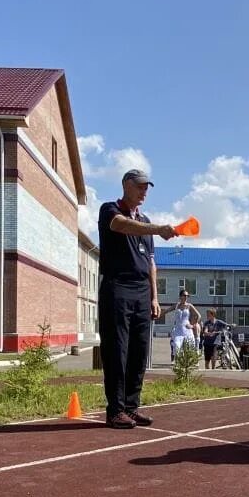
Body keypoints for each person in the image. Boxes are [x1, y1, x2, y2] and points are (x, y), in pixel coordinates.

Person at [97, 169, 178, 428]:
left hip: (143, 292)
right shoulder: (110, 210)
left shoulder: (145, 221)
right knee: (117, 350)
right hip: (117, 287)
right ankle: (115, 410)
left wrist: (155, 296)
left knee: (139, 350)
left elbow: (151, 262)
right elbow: (121, 225)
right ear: (125, 185)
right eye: (140, 186)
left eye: (147, 187)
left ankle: (131, 407)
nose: (144, 191)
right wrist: (158, 228)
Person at [160, 289, 201, 361]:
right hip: (178, 330)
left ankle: (186, 366)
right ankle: (178, 363)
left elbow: (199, 316)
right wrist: (158, 314)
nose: (186, 297)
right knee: (177, 346)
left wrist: (192, 325)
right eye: (184, 295)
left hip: (187, 330)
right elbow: (166, 311)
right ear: (180, 296)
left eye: (187, 296)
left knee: (188, 349)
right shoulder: (176, 305)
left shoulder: (189, 306)